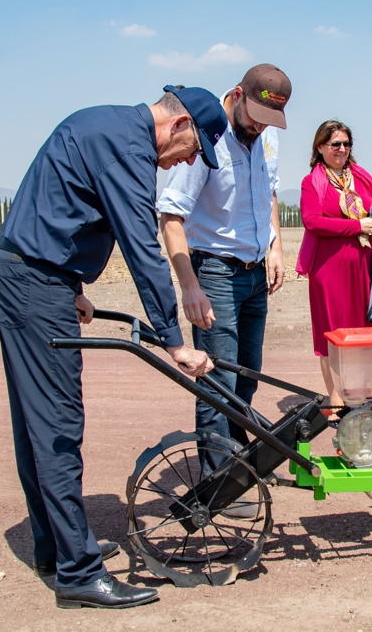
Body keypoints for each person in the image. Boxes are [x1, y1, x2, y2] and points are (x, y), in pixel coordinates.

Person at [0, 86, 225, 608]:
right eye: (192, 151)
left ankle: (58, 548)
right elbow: (142, 246)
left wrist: (71, 287)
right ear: (181, 124)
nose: (186, 162)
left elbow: (55, 208)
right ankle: (77, 573)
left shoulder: (109, 127)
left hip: (35, 275)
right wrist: (174, 341)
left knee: (38, 425)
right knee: (57, 426)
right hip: (32, 281)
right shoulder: (127, 147)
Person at [158, 64, 291, 481]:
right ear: (237, 95)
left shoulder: (262, 131)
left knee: (245, 375)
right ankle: (219, 479)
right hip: (215, 272)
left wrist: (276, 247)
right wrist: (190, 286)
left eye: (269, 121)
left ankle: (239, 459)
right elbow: (171, 216)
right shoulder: (204, 134)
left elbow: (268, 190)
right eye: (255, 117)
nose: (259, 127)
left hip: (255, 274)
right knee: (218, 382)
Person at [297, 120, 372, 404]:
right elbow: (312, 221)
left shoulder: (363, 177)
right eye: (335, 144)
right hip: (329, 269)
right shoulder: (311, 181)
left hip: (365, 266)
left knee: (367, 330)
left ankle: (367, 396)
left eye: (347, 144)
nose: (342, 149)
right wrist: (358, 226)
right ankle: (338, 400)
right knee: (332, 335)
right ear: (320, 147)